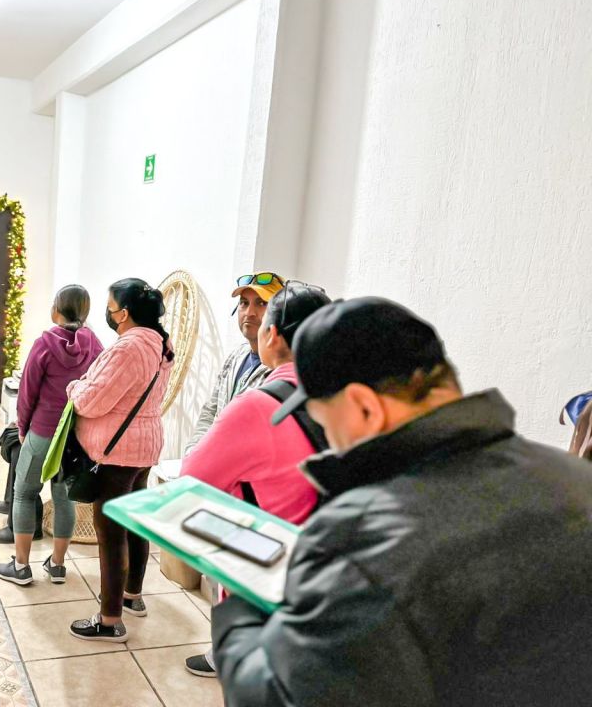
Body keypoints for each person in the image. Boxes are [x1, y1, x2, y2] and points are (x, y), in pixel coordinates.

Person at [212, 297, 592, 707]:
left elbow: (278, 696)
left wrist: (241, 607)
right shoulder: (575, 478)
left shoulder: (360, 540)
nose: (328, 440)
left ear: (364, 407)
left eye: (324, 423)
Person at [179, 282, 330, 677]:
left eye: (260, 309)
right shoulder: (343, 394)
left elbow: (191, 483)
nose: (250, 314)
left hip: (265, 571)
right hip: (321, 567)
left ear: (272, 333)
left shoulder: (260, 404)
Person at [66, 278, 174, 643]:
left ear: (123, 314)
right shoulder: (160, 342)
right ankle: (132, 596)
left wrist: (74, 386)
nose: (107, 313)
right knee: (136, 523)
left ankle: (110, 620)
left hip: (117, 451)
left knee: (111, 533)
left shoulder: (128, 348)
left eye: (110, 307)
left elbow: (91, 401)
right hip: (144, 446)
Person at [0, 285, 104, 585]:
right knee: (64, 499)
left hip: (43, 432)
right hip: (74, 436)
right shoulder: (95, 345)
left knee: (24, 493)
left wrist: (23, 428)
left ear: (56, 310)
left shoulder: (44, 344)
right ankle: (57, 565)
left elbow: (27, 393)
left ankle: (21, 566)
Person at [185, 272, 286, 454]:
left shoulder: (281, 369)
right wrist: (194, 452)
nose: (249, 313)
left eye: (262, 303)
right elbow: (211, 410)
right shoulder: (237, 356)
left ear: (281, 313)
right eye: (244, 303)